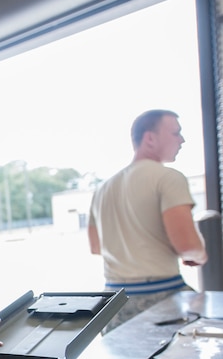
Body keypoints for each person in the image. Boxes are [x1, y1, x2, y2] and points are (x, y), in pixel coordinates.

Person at [88, 109, 207, 332]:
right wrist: (200, 254)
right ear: (150, 138)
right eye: (176, 133)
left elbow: (96, 247)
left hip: (113, 307)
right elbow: (189, 247)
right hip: (161, 303)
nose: (182, 140)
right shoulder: (168, 178)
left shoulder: (102, 189)